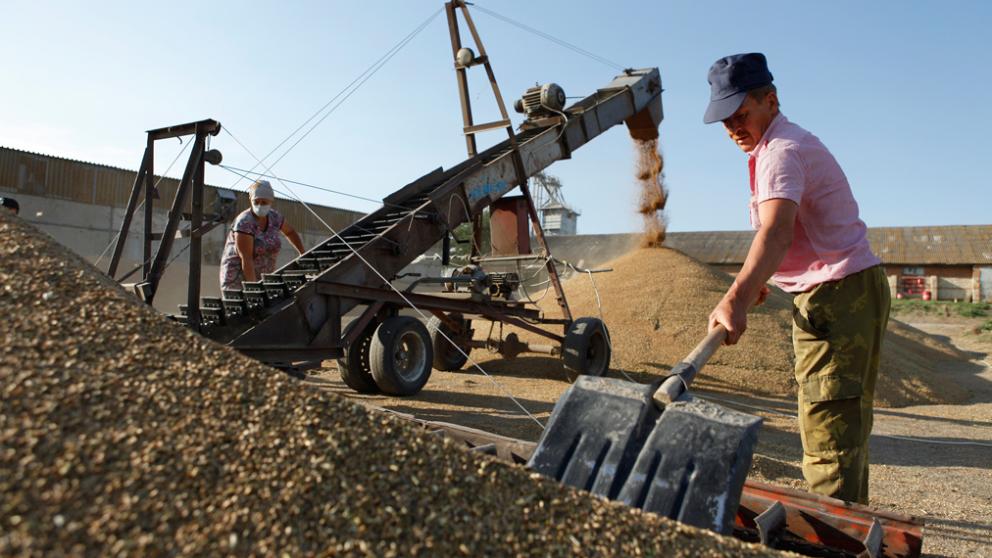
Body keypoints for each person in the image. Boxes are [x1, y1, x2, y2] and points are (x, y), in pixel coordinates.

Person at [703, 53, 889, 504]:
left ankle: (837, 533)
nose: (733, 128)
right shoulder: (782, 145)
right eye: (725, 120)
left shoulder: (780, 153)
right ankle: (847, 520)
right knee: (839, 427)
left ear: (770, 100)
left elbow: (776, 232)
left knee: (830, 436)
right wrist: (763, 279)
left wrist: (736, 298)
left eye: (741, 115)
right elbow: (791, 235)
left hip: (837, 298)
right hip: (845, 292)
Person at [219, 180, 305, 291]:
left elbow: (290, 232)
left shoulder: (275, 218)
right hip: (238, 279)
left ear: (271, 201)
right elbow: (247, 259)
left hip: (263, 277)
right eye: (256, 202)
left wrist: (303, 253)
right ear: (250, 200)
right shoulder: (244, 222)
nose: (259, 205)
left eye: (264, 202)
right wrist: (254, 289)